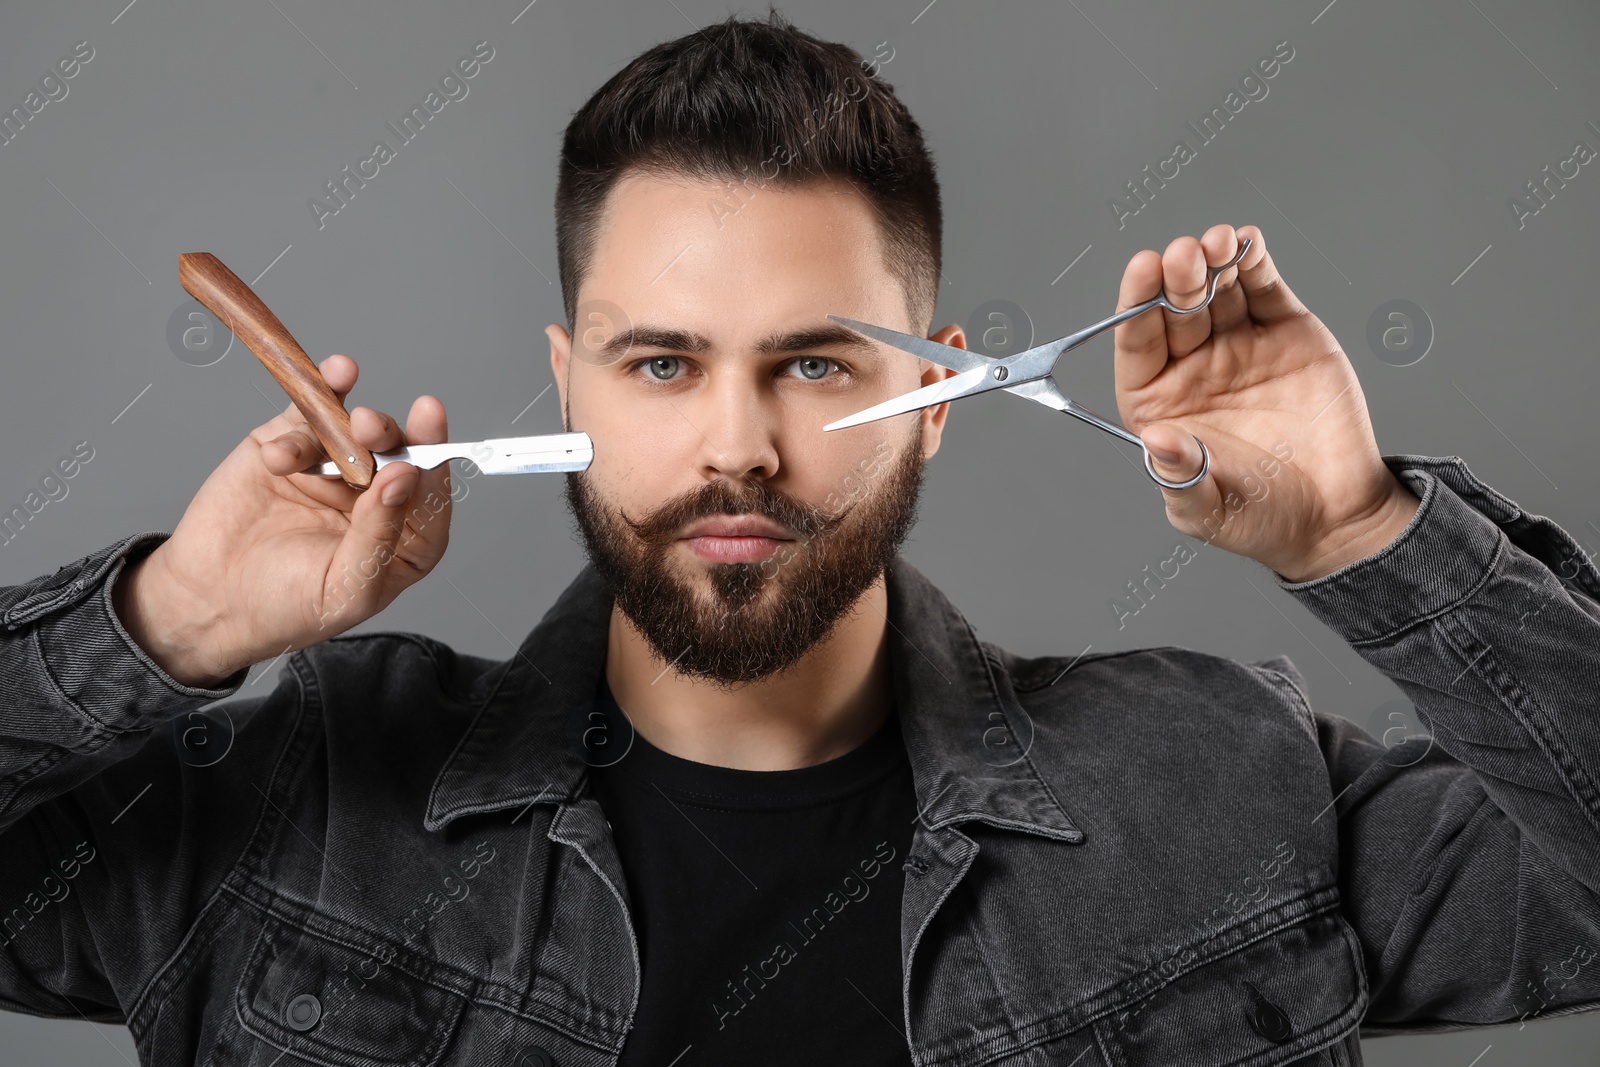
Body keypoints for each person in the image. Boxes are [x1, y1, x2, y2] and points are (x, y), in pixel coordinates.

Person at [3, 11, 1598, 1067]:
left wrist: (1361, 533)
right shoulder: (301, 797)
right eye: (662, 364)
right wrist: (166, 625)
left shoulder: (1221, 786)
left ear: (941, 394)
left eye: (819, 361)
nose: (741, 445)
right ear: (566, 388)